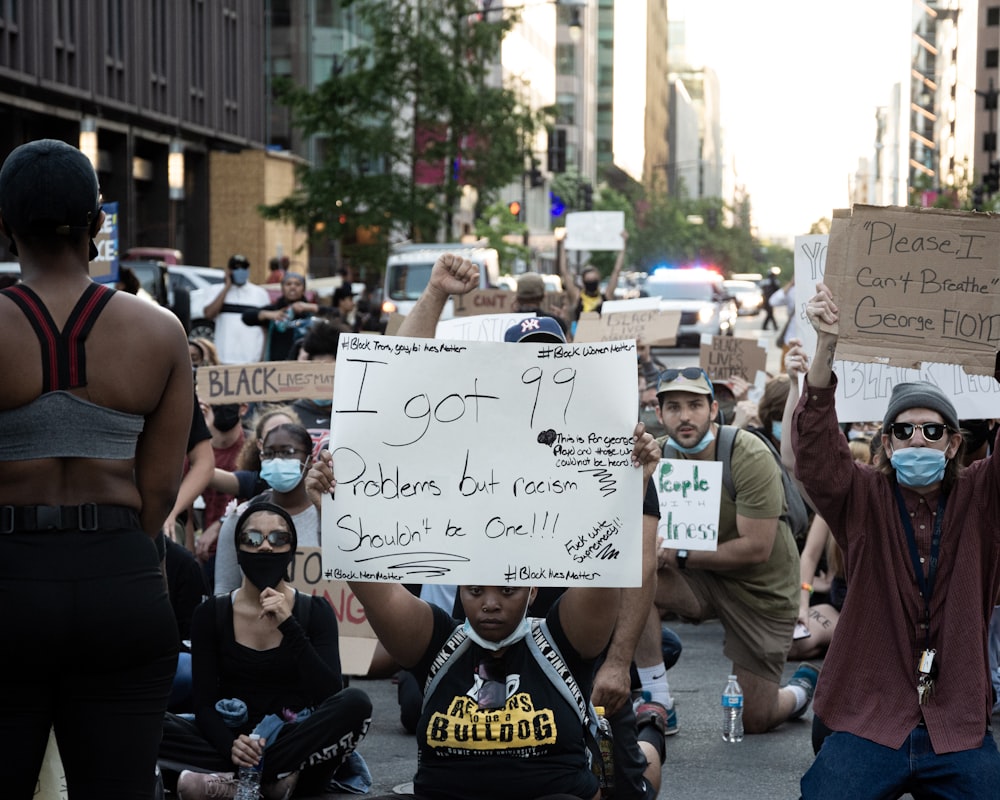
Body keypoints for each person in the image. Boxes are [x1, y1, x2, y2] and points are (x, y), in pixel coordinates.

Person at [363, 253, 667, 798]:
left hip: (572, 633)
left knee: (624, 785)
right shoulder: (471, 434)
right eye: (525, 363)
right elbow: (397, 384)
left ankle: (648, 743)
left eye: (551, 362)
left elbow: (639, 565)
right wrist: (435, 293)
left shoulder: (608, 449)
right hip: (485, 622)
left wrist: (619, 663)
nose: (539, 375)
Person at [307, 426, 660, 800]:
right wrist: (331, 506)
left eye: (507, 590)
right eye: (476, 591)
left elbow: (603, 567)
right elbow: (370, 584)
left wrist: (630, 485)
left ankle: (650, 736)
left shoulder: (564, 640)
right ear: (459, 588)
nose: (490, 603)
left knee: (631, 788)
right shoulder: (436, 642)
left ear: (533, 589)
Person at [0, 138, 193, 797]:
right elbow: (160, 489)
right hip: (122, 582)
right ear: (98, 225)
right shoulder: (161, 333)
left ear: (6, 226)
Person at [793, 281, 1000, 797]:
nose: (917, 440)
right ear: (885, 442)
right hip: (870, 716)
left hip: (954, 724)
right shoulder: (863, 494)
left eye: (932, 432)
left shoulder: (983, 496)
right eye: (903, 431)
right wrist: (826, 347)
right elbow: (816, 451)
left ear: (954, 444)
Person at [160, 502, 372, 799]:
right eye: (253, 539)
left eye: (278, 539)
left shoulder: (315, 611)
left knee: (356, 703)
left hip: (293, 736)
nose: (265, 548)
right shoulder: (211, 614)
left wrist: (289, 625)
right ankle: (268, 783)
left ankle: (237, 783)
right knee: (152, 721)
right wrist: (232, 746)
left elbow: (329, 694)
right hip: (233, 739)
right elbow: (204, 705)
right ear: (237, 549)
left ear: (292, 548)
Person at [652, 366, 819, 734]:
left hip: (761, 591)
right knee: (633, 576)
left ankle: (800, 690)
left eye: (694, 405)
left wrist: (678, 555)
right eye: (674, 407)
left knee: (755, 719)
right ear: (659, 413)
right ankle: (656, 697)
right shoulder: (658, 456)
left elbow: (757, 548)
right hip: (700, 579)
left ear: (713, 409)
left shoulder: (746, 452)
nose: (684, 416)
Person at [215, 422, 318, 595]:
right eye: (269, 454)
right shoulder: (240, 517)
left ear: (309, 459)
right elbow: (225, 588)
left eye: (288, 452)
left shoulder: (327, 514)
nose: (277, 460)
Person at [242, 271, 331, 361]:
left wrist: (311, 307)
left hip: (304, 366)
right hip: (276, 366)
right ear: (282, 288)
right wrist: (267, 314)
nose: (292, 287)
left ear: (304, 289)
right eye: (288, 284)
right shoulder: (275, 310)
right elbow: (246, 317)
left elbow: (336, 315)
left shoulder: (310, 312)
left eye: (297, 284)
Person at [204, 254, 270, 365]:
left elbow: (265, 329)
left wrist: (263, 356)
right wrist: (227, 287)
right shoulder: (217, 291)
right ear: (229, 271)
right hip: (223, 359)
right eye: (236, 268)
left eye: (244, 268)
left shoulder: (260, 294)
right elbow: (209, 314)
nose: (240, 271)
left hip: (252, 359)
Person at [560, 231, 628, 325]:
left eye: (593, 280)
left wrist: (623, 244)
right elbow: (564, 272)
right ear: (583, 282)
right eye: (589, 281)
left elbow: (616, 271)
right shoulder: (577, 297)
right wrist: (563, 244)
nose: (591, 283)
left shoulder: (606, 296)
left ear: (599, 280)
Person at [512, 271, 569, 337]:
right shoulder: (556, 324)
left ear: (517, 298)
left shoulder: (509, 324)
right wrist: (562, 321)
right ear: (543, 296)